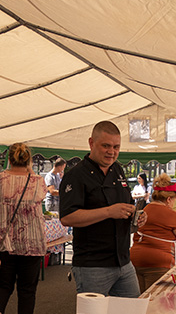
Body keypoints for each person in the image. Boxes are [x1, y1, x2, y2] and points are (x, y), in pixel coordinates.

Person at [59, 120, 145, 297]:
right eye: (106, 146)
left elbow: (128, 204)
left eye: (116, 147)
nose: (111, 152)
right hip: (93, 265)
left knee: (132, 312)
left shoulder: (117, 170)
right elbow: (67, 217)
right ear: (91, 143)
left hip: (123, 261)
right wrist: (108, 212)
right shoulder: (76, 175)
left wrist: (138, 215)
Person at [0, 143, 47, 314]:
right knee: (27, 289)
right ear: (28, 160)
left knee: (2, 285)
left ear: (9, 159)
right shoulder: (38, 181)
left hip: (3, 242)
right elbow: (41, 197)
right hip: (32, 243)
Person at [129, 173, 176, 291]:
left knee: (140, 297)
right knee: (155, 297)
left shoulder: (144, 210)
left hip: (135, 259)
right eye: (174, 200)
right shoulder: (171, 214)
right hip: (159, 263)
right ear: (168, 199)